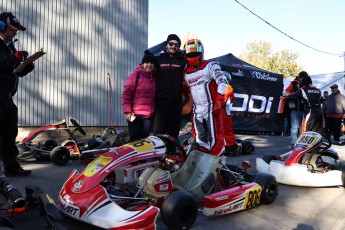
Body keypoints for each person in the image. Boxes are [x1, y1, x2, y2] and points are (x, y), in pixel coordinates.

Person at [0, 12, 35, 176]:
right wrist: (13, 58)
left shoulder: (9, 45)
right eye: (12, 29)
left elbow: (13, 71)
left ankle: (11, 166)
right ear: (2, 27)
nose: (15, 33)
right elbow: (3, 62)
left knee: (9, 132)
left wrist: (25, 65)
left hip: (7, 96)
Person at [183, 38, 227, 156]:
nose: (192, 53)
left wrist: (219, 98)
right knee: (199, 137)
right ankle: (203, 155)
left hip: (212, 106)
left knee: (216, 136)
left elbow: (222, 81)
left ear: (201, 51)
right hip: (197, 108)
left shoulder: (210, 65)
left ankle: (216, 157)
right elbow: (185, 88)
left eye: (194, 50)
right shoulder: (186, 72)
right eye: (189, 50)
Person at [153, 34, 187, 139]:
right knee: (159, 133)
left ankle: (172, 154)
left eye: (176, 44)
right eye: (171, 43)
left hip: (176, 103)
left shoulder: (183, 61)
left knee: (173, 134)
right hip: (160, 103)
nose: (173, 46)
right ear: (166, 45)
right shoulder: (158, 58)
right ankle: (158, 155)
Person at [122, 50, 157, 142]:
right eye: (147, 62)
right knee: (135, 140)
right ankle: (129, 156)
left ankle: (142, 157)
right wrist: (127, 111)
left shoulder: (155, 77)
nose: (149, 65)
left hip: (148, 117)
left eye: (152, 63)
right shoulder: (135, 75)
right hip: (134, 115)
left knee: (143, 141)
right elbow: (127, 94)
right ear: (142, 64)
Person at [285, 71, 307, 149]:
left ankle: (300, 144)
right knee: (294, 127)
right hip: (294, 108)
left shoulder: (306, 85)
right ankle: (293, 144)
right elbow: (286, 91)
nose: (303, 79)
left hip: (304, 108)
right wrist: (292, 95)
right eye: (302, 77)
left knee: (302, 128)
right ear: (300, 77)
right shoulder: (294, 83)